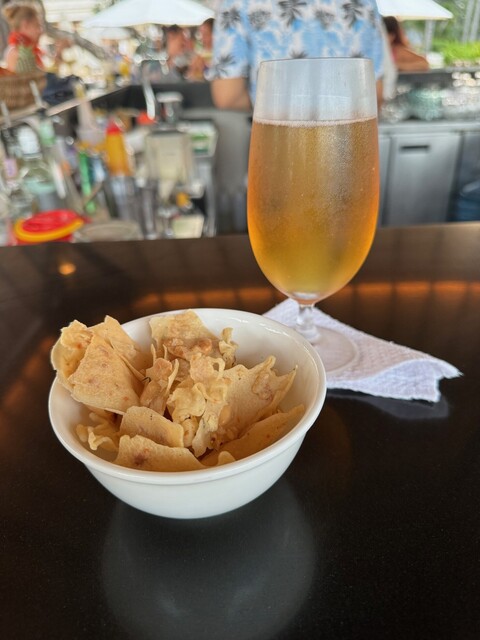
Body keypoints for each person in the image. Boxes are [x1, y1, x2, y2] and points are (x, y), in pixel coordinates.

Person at [209, 0, 385, 110]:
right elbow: (373, 93)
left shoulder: (237, 3)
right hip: (348, 146)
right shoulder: (366, 3)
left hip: (278, 144)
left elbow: (228, 96)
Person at [2, 1, 44, 73]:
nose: (40, 31)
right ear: (25, 25)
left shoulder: (29, 49)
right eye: (37, 26)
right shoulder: (17, 52)